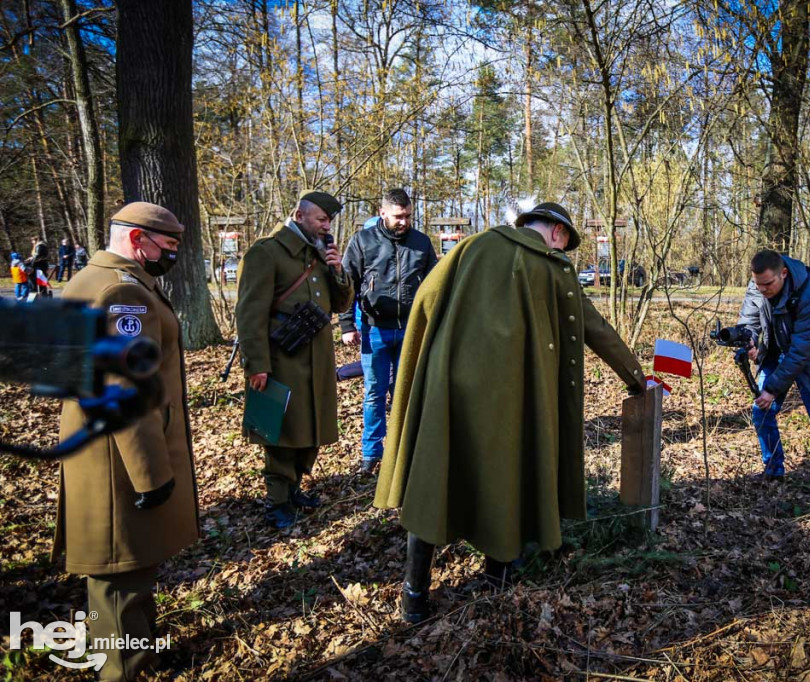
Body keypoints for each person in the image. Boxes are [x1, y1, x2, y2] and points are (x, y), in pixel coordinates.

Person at [373, 201, 647, 623]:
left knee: (433, 479)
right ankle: (498, 575)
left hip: (448, 387)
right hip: (513, 394)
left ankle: (414, 596)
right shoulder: (552, 268)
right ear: (556, 232)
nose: (563, 249)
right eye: (566, 242)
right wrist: (635, 376)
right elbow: (592, 327)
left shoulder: (472, 246)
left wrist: (429, 362)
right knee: (507, 476)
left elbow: (425, 301)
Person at [54, 202, 199, 681]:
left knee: (116, 577)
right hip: (119, 459)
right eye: (169, 246)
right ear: (138, 240)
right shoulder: (123, 293)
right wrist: (152, 475)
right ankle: (125, 669)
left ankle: (135, 655)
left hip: (94, 447)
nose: (172, 255)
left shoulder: (87, 279)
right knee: (121, 577)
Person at [236, 190, 354, 529]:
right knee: (280, 431)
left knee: (311, 428)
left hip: (316, 362)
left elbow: (341, 304)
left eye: (328, 221)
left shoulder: (318, 255)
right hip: (281, 361)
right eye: (320, 219)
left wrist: (337, 270)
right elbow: (249, 314)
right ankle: (277, 500)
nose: (325, 226)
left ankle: (295, 487)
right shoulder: (267, 253)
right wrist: (256, 364)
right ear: (299, 215)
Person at [735, 249, 810, 507]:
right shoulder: (758, 285)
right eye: (758, 284)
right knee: (761, 412)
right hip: (778, 350)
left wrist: (773, 389)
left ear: (784, 274)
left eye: (768, 284)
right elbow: (749, 320)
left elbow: (801, 351)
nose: (762, 289)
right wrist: (751, 341)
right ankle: (774, 469)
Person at [340, 188, 437, 474]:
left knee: (405, 391)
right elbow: (348, 285)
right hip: (374, 330)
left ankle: (404, 449)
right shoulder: (363, 241)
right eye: (398, 216)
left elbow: (434, 284)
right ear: (383, 213)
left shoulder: (421, 243)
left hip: (411, 329)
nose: (403, 221)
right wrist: (347, 325)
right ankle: (371, 453)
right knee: (374, 392)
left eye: (408, 216)